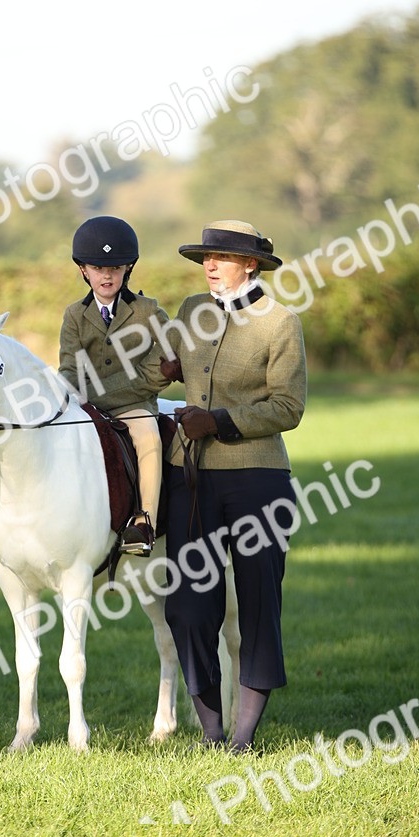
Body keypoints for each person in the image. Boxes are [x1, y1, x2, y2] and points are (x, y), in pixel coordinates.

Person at [160, 219, 307, 751]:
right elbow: (184, 367)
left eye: (220, 257)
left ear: (251, 264)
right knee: (187, 606)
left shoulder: (280, 323)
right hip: (191, 478)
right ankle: (211, 734)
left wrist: (219, 421)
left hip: (258, 480)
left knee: (258, 603)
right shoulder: (190, 312)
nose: (210, 264)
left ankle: (243, 738)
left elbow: (288, 407)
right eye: (205, 256)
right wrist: (172, 370)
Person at [59, 215, 170, 555]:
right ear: (84, 270)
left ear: (128, 269)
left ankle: (144, 522)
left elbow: (168, 360)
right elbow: (69, 367)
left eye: (116, 268)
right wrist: (72, 399)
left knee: (148, 434)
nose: (107, 276)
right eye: (98, 268)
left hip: (133, 406)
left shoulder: (148, 311)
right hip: (86, 407)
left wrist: (135, 385)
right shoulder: (74, 315)